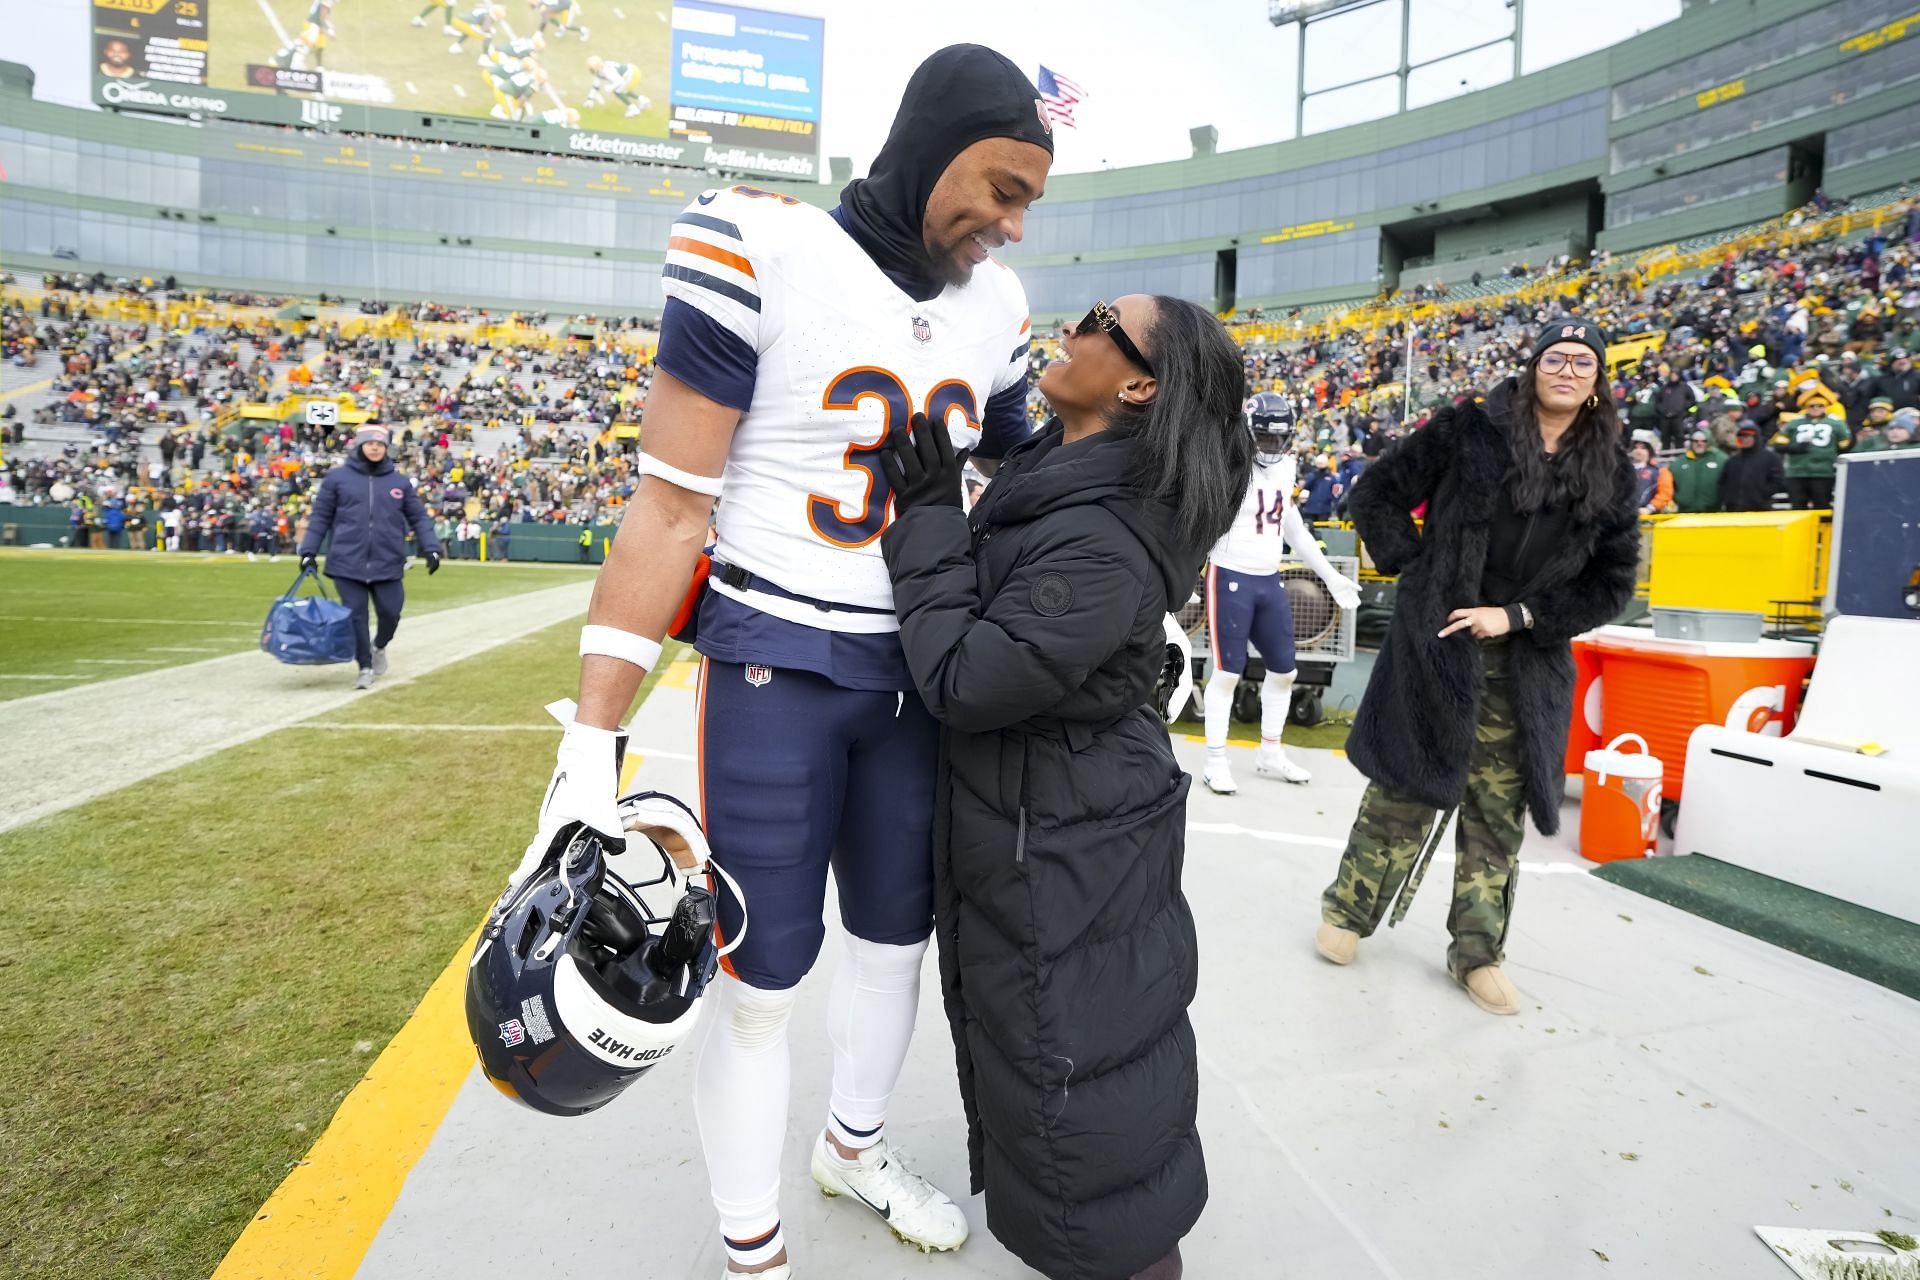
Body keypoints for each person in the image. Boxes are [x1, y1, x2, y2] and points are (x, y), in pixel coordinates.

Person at [508, 45, 1053, 1280]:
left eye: (1030, 202)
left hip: (922, 668)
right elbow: (667, 510)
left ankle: (853, 1148)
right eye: (1002, 186)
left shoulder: (999, 310)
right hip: (776, 660)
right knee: (759, 976)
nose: (1011, 224)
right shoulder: (761, 243)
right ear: (932, 142)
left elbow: (1029, 483)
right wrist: (590, 738)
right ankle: (752, 1249)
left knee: (895, 940)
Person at [880, 294, 1249, 1280]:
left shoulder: (1105, 534)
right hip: (1055, 811)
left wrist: (923, 528)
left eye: (1100, 322)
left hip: (1062, 834)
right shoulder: (1070, 467)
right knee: (1069, 1065)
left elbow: (967, 677)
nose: (1074, 328)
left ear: (1138, 384)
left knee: (1076, 1071)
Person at [1317, 319, 1639, 1015]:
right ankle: (1347, 913)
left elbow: (1612, 583)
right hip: (1437, 645)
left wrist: (1518, 617)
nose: (1567, 370)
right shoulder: (1467, 428)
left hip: (1525, 664)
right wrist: (1416, 566)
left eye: (1583, 363)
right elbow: (1375, 493)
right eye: (1556, 357)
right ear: (1532, 368)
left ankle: (1477, 954)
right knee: (1403, 785)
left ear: (1596, 384)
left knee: (1497, 816)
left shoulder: (1612, 467)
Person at [1199, 391, 1361, 794]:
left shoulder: (1286, 467)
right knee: (1225, 673)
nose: (1271, 448)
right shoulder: (1228, 464)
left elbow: (1293, 527)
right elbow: (1200, 521)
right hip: (1230, 574)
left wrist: (1328, 575)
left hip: (1269, 578)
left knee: (1286, 670)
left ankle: (1270, 750)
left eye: (1278, 440)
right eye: (1265, 439)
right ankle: (1215, 760)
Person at [298, 424, 442, 690]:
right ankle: (364, 667)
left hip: (387, 560)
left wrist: (431, 546)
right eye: (370, 443)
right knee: (356, 617)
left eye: (380, 444)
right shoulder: (337, 479)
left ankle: (379, 646)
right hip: (346, 561)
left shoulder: (399, 482)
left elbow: (419, 518)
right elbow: (320, 518)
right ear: (360, 446)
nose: (375, 448)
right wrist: (308, 551)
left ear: (386, 448)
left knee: (391, 613)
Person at [1771, 384, 1852, 509]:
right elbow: (1778, 445)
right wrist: (1794, 448)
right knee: (1798, 507)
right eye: (1812, 406)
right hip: (1797, 471)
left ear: (1826, 407)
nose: (1816, 408)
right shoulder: (1794, 422)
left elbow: (1846, 445)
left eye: (1820, 405)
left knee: (1821, 506)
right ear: (1806, 407)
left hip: (1823, 471)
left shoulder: (1836, 423)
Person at [1670, 425, 1727, 513]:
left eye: (1703, 441)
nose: (1699, 444)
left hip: (1713, 512)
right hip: (1685, 513)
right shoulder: (1679, 462)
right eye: (1695, 441)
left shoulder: (1721, 459)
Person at [1628, 438, 1672, 513]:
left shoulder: (1660, 471)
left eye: (1642, 448)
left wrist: (1650, 508)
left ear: (1649, 451)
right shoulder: (1623, 469)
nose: (1638, 451)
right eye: (1635, 448)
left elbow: (1665, 493)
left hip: (1650, 516)